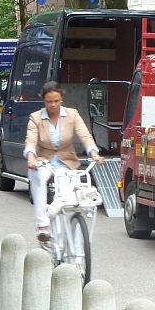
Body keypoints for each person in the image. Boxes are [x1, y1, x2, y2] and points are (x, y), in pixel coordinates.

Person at [25, 82, 105, 242]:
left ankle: (73, 242)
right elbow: (31, 140)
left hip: (66, 163)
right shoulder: (36, 118)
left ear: (62, 99)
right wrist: (31, 157)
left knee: (71, 200)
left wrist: (94, 153)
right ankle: (43, 225)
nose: (53, 105)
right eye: (49, 102)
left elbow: (85, 136)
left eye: (56, 101)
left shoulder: (72, 114)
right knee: (38, 178)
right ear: (44, 101)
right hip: (44, 162)